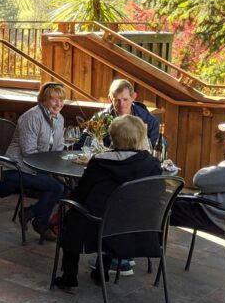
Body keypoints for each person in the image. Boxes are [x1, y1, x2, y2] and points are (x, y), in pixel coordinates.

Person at [52, 115, 163, 293]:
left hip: (97, 227)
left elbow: (82, 194)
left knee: (72, 215)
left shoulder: (100, 161)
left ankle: (69, 277)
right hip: (137, 228)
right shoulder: (152, 164)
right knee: (116, 212)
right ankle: (101, 271)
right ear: (140, 137)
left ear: (113, 136)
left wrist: (71, 201)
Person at [0, 82, 67, 241]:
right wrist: (52, 172)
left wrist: (59, 170)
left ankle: (31, 213)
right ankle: (39, 222)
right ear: (43, 100)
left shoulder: (59, 119)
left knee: (66, 187)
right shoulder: (32, 117)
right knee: (56, 187)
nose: (58, 104)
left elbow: (59, 148)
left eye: (61, 99)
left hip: (39, 167)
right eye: (54, 99)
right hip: (18, 167)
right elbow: (29, 153)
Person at [77, 79, 160, 148]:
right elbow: (82, 143)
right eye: (117, 100)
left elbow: (155, 147)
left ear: (133, 97)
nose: (121, 104)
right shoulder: (100, 118)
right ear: (110, 99)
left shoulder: (149, 120)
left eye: (125, 99)